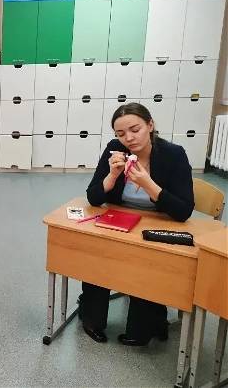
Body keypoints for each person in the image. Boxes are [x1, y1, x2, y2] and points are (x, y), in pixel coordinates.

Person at [80, 102, 194, 346]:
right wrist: (112, 176)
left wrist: (148, 184)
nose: (128, 138)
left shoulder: (173, 154)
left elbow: (184, 210)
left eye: (135, 130)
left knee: (147, 262)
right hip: (120, 222)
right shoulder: (115, 150)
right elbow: (93, 197)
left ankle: (147, 326)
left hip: (158, 224)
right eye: (121, 133)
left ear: (150, 125)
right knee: (95, 253)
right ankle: (91, 318)